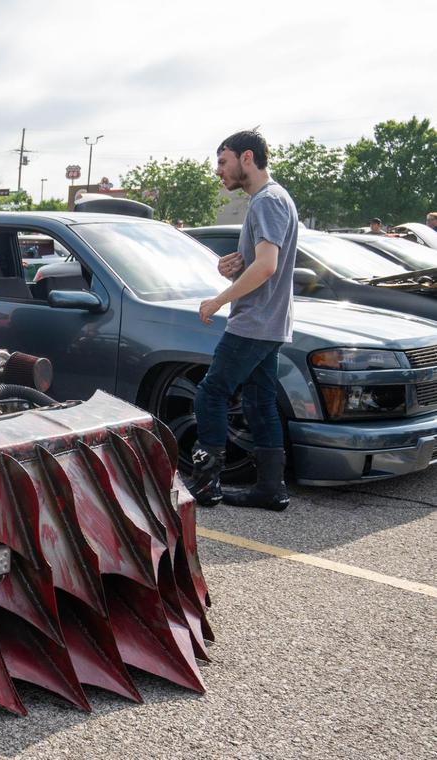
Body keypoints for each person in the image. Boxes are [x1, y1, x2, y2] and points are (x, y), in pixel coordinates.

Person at [189, 129, 298, 512]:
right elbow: (261, 265)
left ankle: (206, 484)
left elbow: (267, 267)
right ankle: (271, 488)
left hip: (253, 323)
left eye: (223, 161)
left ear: (246, 158)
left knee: (210, 394)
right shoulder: (275, 199)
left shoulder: (267, 201)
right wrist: (231, 269)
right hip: (271, 323)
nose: (219, 171)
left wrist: (219, 300)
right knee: (259, 400)